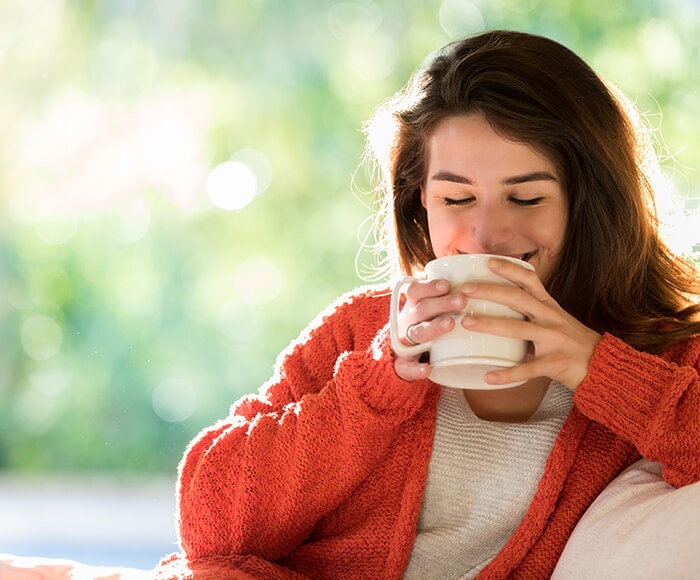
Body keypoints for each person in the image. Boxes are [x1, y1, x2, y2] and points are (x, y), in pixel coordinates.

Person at [156, 30, 700, 579]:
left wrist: (593, 366)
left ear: (588, 201)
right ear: (421, 200)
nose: (485, 236)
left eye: (527, 197)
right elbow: (209, 526)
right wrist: (377, 385)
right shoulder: (365, 331)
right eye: (456, 199)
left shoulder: (661, 357)